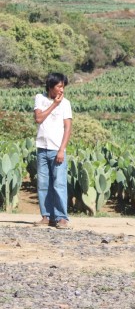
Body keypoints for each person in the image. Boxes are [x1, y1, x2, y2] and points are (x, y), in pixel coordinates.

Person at [33, 73, 72, 229]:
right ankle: (46, 216)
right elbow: (38, 119)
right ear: (50, 86)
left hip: (57, 149)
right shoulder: (40, 98)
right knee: (43, 184)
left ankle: (62, 218)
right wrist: (54, 105)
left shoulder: (66, 103)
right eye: (59, 86)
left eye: (63, 87)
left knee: (59, 184)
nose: (62, 90)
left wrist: (62, 149)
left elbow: (68, 127)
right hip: (42, 148)